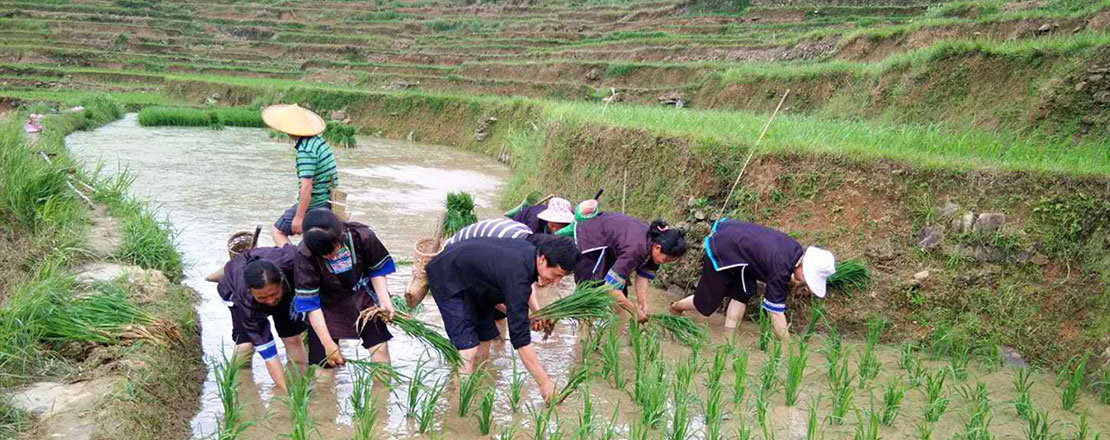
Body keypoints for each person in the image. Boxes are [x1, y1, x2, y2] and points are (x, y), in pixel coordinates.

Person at [425, 234, 580, 403]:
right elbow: (520, 340)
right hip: (447, 276)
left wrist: (535, 315)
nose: (557, 281)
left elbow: (520, 296)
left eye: (562, 277)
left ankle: (477, 391)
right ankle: (460, 404)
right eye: (556, 274)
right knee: (468, 348)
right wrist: (544, 383)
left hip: (476, 284)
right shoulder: (518, 273)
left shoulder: (529, 255)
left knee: (484, 340)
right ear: (543, 259)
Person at [668, 219, 836, 342]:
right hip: (724, 246)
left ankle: (728, 340)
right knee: (705, 303)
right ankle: (675, 308)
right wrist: (789, 348)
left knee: (741, 295)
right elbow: (776, 314)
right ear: (804, 266)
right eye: (806, 278)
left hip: (741, 252)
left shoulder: (794, 251)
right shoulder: (781, 268)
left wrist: (793, 278)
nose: (804, 282)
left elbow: (768, 259)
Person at [293, 209, 396, 368]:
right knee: (324, 365)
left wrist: (384, 301)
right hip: (326, 305)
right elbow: (310, 304)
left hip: (363, 299)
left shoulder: (362, 236)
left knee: (380, 350)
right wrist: (328, 344)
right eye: (323, 255)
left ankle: (382, 385)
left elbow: (376, 269)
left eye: (331, 250)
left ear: (339, 235)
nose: (330, 257)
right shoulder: (305, 254)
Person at [215, 245, 308, 392]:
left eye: (273, 294)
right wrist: (286, 393)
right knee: (246, 345)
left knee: (293, 338)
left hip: (285, 295)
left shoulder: (291, 261)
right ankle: (238, 385)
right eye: (263, 297)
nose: (270, 301)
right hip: (235, 295)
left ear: (281, 280)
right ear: (251, 291)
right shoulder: (246, 298)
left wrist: (299, 395)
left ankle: (300, 382)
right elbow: (270, 356)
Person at [572, 207, 688, 322]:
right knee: (589, 298)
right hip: (592, 240)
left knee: (620, 304)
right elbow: (610, 288)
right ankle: (582, 330)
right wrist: (634, 310)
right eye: (666, 259)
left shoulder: (656, 247)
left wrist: (642, 303)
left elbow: (643, 276)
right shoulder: (635, 250)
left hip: (613, 249)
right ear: (657, 247)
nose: (664, 262)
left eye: (670, 261)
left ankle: (617, 331)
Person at [262, 104, 338, 247]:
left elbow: (306, 187)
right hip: (328, 201)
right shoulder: (318, 142)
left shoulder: (305, 151)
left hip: (316, 204)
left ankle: (291, 257)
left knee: (278, 231)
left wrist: (299, 217)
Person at [509, 197, 575, 234]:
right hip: (521, 220)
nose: (555, 229)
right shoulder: (534, 225)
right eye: (552, 226)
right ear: (547, 220)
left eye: (560, 227)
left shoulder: (572, 225)